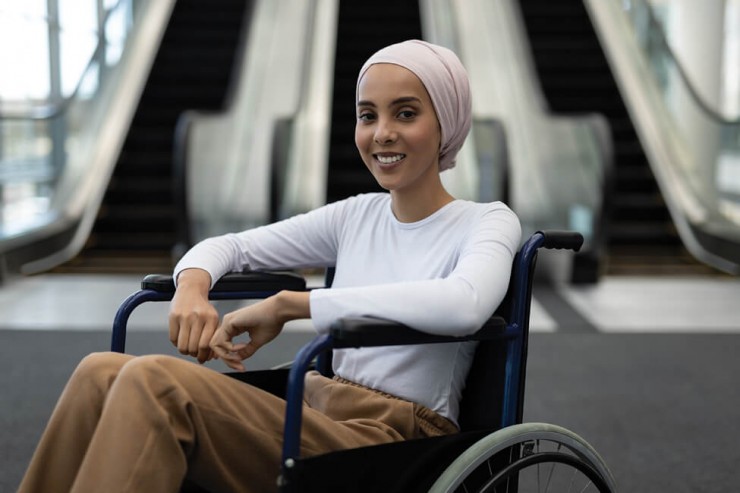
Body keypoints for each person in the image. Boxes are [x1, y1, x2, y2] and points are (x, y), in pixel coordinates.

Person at [17, 39, 521, 493]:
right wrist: (191, 289)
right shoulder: (355, 215)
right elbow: (229, 247)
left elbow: (464, 304)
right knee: (100, 371)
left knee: (156, 385)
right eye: (368, 116)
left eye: (405, 114)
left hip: (396, 437)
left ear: (446, 124)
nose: (382, 133)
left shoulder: (486, 222)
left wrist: (290, 305)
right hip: (316, 406)